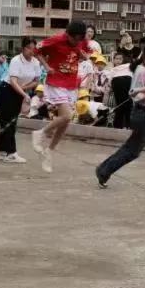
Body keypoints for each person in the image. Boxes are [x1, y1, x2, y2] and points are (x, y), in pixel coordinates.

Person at [95, 42, 145, 188]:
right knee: (133, 150)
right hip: (142, 113)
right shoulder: (140, 71)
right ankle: (104, 170)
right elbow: (135, 95)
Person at [30, 20, 92, 174]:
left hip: (71, 84)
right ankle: (41, 133)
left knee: (66, 121)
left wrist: (84, 55)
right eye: (74, 39)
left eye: (79, 39)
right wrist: (46, 66)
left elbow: (87, 53)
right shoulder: (56, 40)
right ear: (68, 34)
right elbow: (36, 50)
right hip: (56, 81)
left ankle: (49, 151)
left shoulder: (81, 41)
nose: (77, 42)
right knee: (67, 115)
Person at [0, 37, 42, 164]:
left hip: (19, 92)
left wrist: (24, 89)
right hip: (7, 91)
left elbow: (36, 81)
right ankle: (11, 152)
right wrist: (24, 94)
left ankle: (1, 151)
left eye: (34, 48)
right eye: (29, 48)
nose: (31, 51)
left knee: (10, 122)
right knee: (8, 122)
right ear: (23, 48)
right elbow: (13, 81)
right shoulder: (16, 60)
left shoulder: (35, 62)